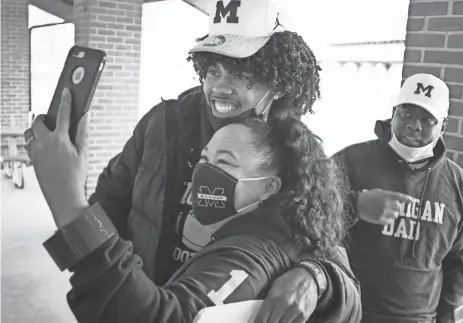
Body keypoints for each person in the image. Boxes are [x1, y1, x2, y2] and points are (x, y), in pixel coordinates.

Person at [25, 0, 361, 321]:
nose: (220, 88)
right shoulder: (162, 125)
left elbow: (327, 250)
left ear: (276, 82)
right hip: (136, 297)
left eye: (243, 75)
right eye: (213, 71)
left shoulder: (289, 151)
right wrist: (109, 280)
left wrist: (317, 277)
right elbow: (109, 202)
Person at [334, 73, 463, 323]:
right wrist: (355, 205)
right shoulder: (350, 160)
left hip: (418, 318)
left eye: (427, 119)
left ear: (443, 125)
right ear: (393, 112)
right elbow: (305, 220)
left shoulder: (456, 183)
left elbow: (457, 263)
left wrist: (446, 317)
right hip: (347, 310)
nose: (414, 125)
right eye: (406, 113)